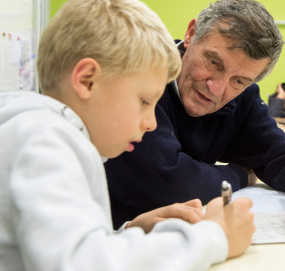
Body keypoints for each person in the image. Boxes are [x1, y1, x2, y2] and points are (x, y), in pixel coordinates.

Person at [0, 0, 255, 270]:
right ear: (87, 80)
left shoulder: (43, 134)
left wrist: (129, 231)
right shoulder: (45, 142)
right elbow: (80, 265)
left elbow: (50, 251)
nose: (152, 124)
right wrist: (214, 236)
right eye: (145, 102)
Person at [105, 0, 285, 234]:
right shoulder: (143, 73)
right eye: (214, 62)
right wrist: (240, 175)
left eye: (239, 80)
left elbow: (278, 155)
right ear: (191, 34)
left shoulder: (242, 97)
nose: (216, 89)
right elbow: (165, 182)